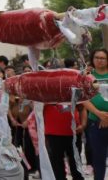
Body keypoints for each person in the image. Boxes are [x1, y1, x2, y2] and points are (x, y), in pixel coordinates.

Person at [43, 101, 86, 180]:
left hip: (74, 133)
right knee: (57, 165)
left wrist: (83, 125)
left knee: (76, 165)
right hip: (53, 133)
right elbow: (37, 108)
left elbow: (82, 108)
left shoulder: (73, 89)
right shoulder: (46, 91)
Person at [83, 48, 108, 180]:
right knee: (98, 158)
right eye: (96, 57)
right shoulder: (87, 77)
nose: (99, 60)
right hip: (95, 121)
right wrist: (99, 114)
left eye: (102, 58)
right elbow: (83, 98)